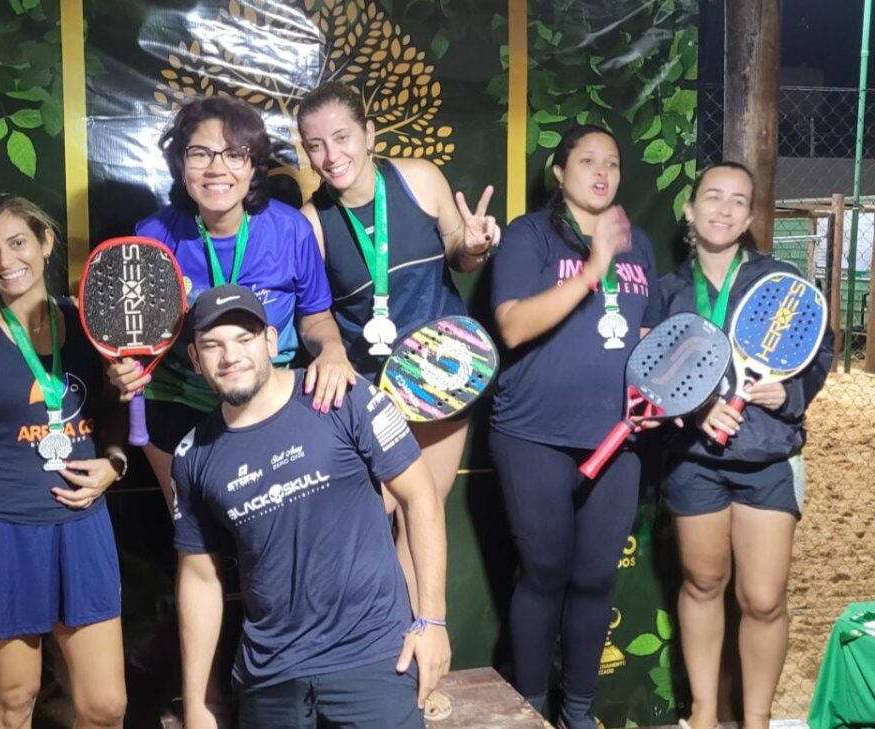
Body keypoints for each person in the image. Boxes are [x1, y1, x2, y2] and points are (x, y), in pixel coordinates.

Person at [172, 284, 451, 728]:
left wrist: (432, 621)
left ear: (269, 341)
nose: (230, 356)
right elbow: (200, 578)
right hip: (271, 675)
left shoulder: (341, 396)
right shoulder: (194, 455)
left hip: (374, 660)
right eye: (212, 345)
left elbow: (420, 496)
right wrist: (197, 705)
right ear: (195, 358)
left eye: (244, 339)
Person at [295, 81, 501, 622]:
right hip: (368, 394)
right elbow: (312, 313)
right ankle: (372, 652)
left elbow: (460, 253)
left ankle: (422, 658)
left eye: (342, 137)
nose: (331, 155)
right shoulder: (312, 222)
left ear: (369, 133)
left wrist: (473, 244)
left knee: (422, 518)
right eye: (315, 145)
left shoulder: (419, 178)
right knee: (360, 524)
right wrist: (332, 351)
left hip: (440, 382)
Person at [0, 194, 127, 729]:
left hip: (82, 529)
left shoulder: (91, 324)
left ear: (45, 243)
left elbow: (114, 421)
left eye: (18, 243)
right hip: (0, 530)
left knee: (105, 707)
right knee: (14, 702)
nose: (5, 261)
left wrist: (114, 462)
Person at [487, 125, 662, 728]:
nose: (602, 171)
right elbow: (512, 325)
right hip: (533, 434)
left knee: (593, 579)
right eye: (587, 160)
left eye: (612, 162)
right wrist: (593, 268)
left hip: (617, 440)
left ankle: (578, 712)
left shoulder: (638, 243)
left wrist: (658, 390)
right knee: (545, 573)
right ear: (558, 172)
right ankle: (531, 709)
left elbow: (645, 338)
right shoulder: (530, 235)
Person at [107, 95, 355, 510]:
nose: (217, 168)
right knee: (200, 541)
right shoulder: (151, 235)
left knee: (272, 536)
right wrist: (125, 371)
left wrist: (331, 349)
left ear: (253, 166)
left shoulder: (289, 229)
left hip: (269, 401)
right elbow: (136, 338)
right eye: (200, 153)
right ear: (180, 164)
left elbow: (315, 317)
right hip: (178, 404)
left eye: (234, 154)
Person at [655, 162, 833, 729]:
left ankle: (756, 720)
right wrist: (693, 411)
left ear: (752, 217)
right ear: (690, 208)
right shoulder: (668, 292)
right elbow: (655, 377)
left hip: (766, 458)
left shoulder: (780, 283)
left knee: (762, 599)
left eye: (738, 201)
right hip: (696, 463)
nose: (724, 209)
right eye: (713, 197)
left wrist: (791, 392)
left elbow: (819, 354)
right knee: (703, 582)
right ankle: (704, 712)